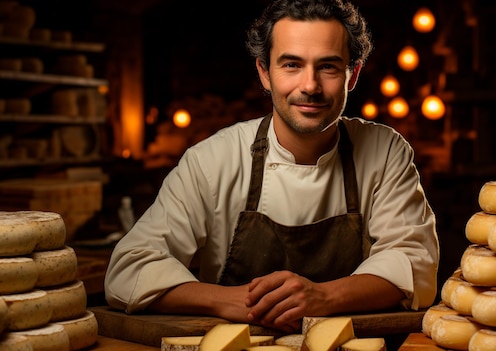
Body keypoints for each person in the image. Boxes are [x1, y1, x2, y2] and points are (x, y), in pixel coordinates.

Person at [104, 0, 439, 334]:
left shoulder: (385, 152)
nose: (310, 86)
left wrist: (323, 297)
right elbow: (128, 270)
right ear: (264, 73)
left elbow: (415, 265)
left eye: (329, 67)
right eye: (291, 65)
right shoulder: (212, 160)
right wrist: (226, 300)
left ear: (353, 75)